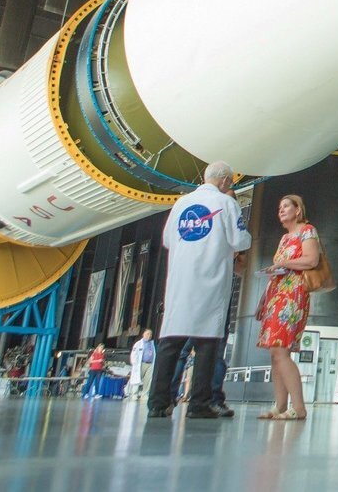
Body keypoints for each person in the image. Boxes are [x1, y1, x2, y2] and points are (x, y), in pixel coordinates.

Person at [148, 161, 251, 421]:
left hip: (181, 282)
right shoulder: (227, 203)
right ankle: (199, 404)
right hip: (211, 280)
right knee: (207, 344)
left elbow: (168, 240)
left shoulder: (181, 204)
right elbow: (240, 240)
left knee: (170, 343)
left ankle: (158, 404)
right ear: (226, 181)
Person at [256, 194, 322, 420]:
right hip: (276, 294)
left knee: (281, 349)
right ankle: (281, 405)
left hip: (293, 294)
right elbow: (278, 269)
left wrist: (284, 263)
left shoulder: (307, 230)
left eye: (286, 206)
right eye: (279, 207)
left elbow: (311, 260)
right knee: (275, 352)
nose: (281, 210)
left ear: (298, 210)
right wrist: (264, 299)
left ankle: (299, 407)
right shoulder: (284, 239)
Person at [126, 330, 154, 400]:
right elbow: (134, 354)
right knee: (137, 379)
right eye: (147, 334)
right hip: (141, 364)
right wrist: (134, 363)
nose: (149, 335)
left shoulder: (152, 344)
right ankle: (134, 394)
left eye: (150, 334)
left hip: (150, 364)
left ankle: (144, 394)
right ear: (143, 334)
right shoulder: (138, 344)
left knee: (148, 380)